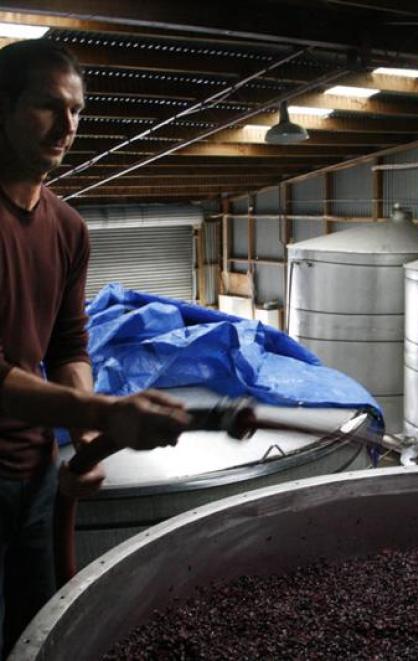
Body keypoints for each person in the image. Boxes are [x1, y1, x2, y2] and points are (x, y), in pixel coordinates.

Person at [0, 39, 189, 657]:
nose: (68, 126)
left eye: (77, 111)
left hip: (31, 477)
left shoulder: (67, 227)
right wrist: (102, 414)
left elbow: (68, 345)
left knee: (33, 633)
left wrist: (82, 442)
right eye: (47, 106)